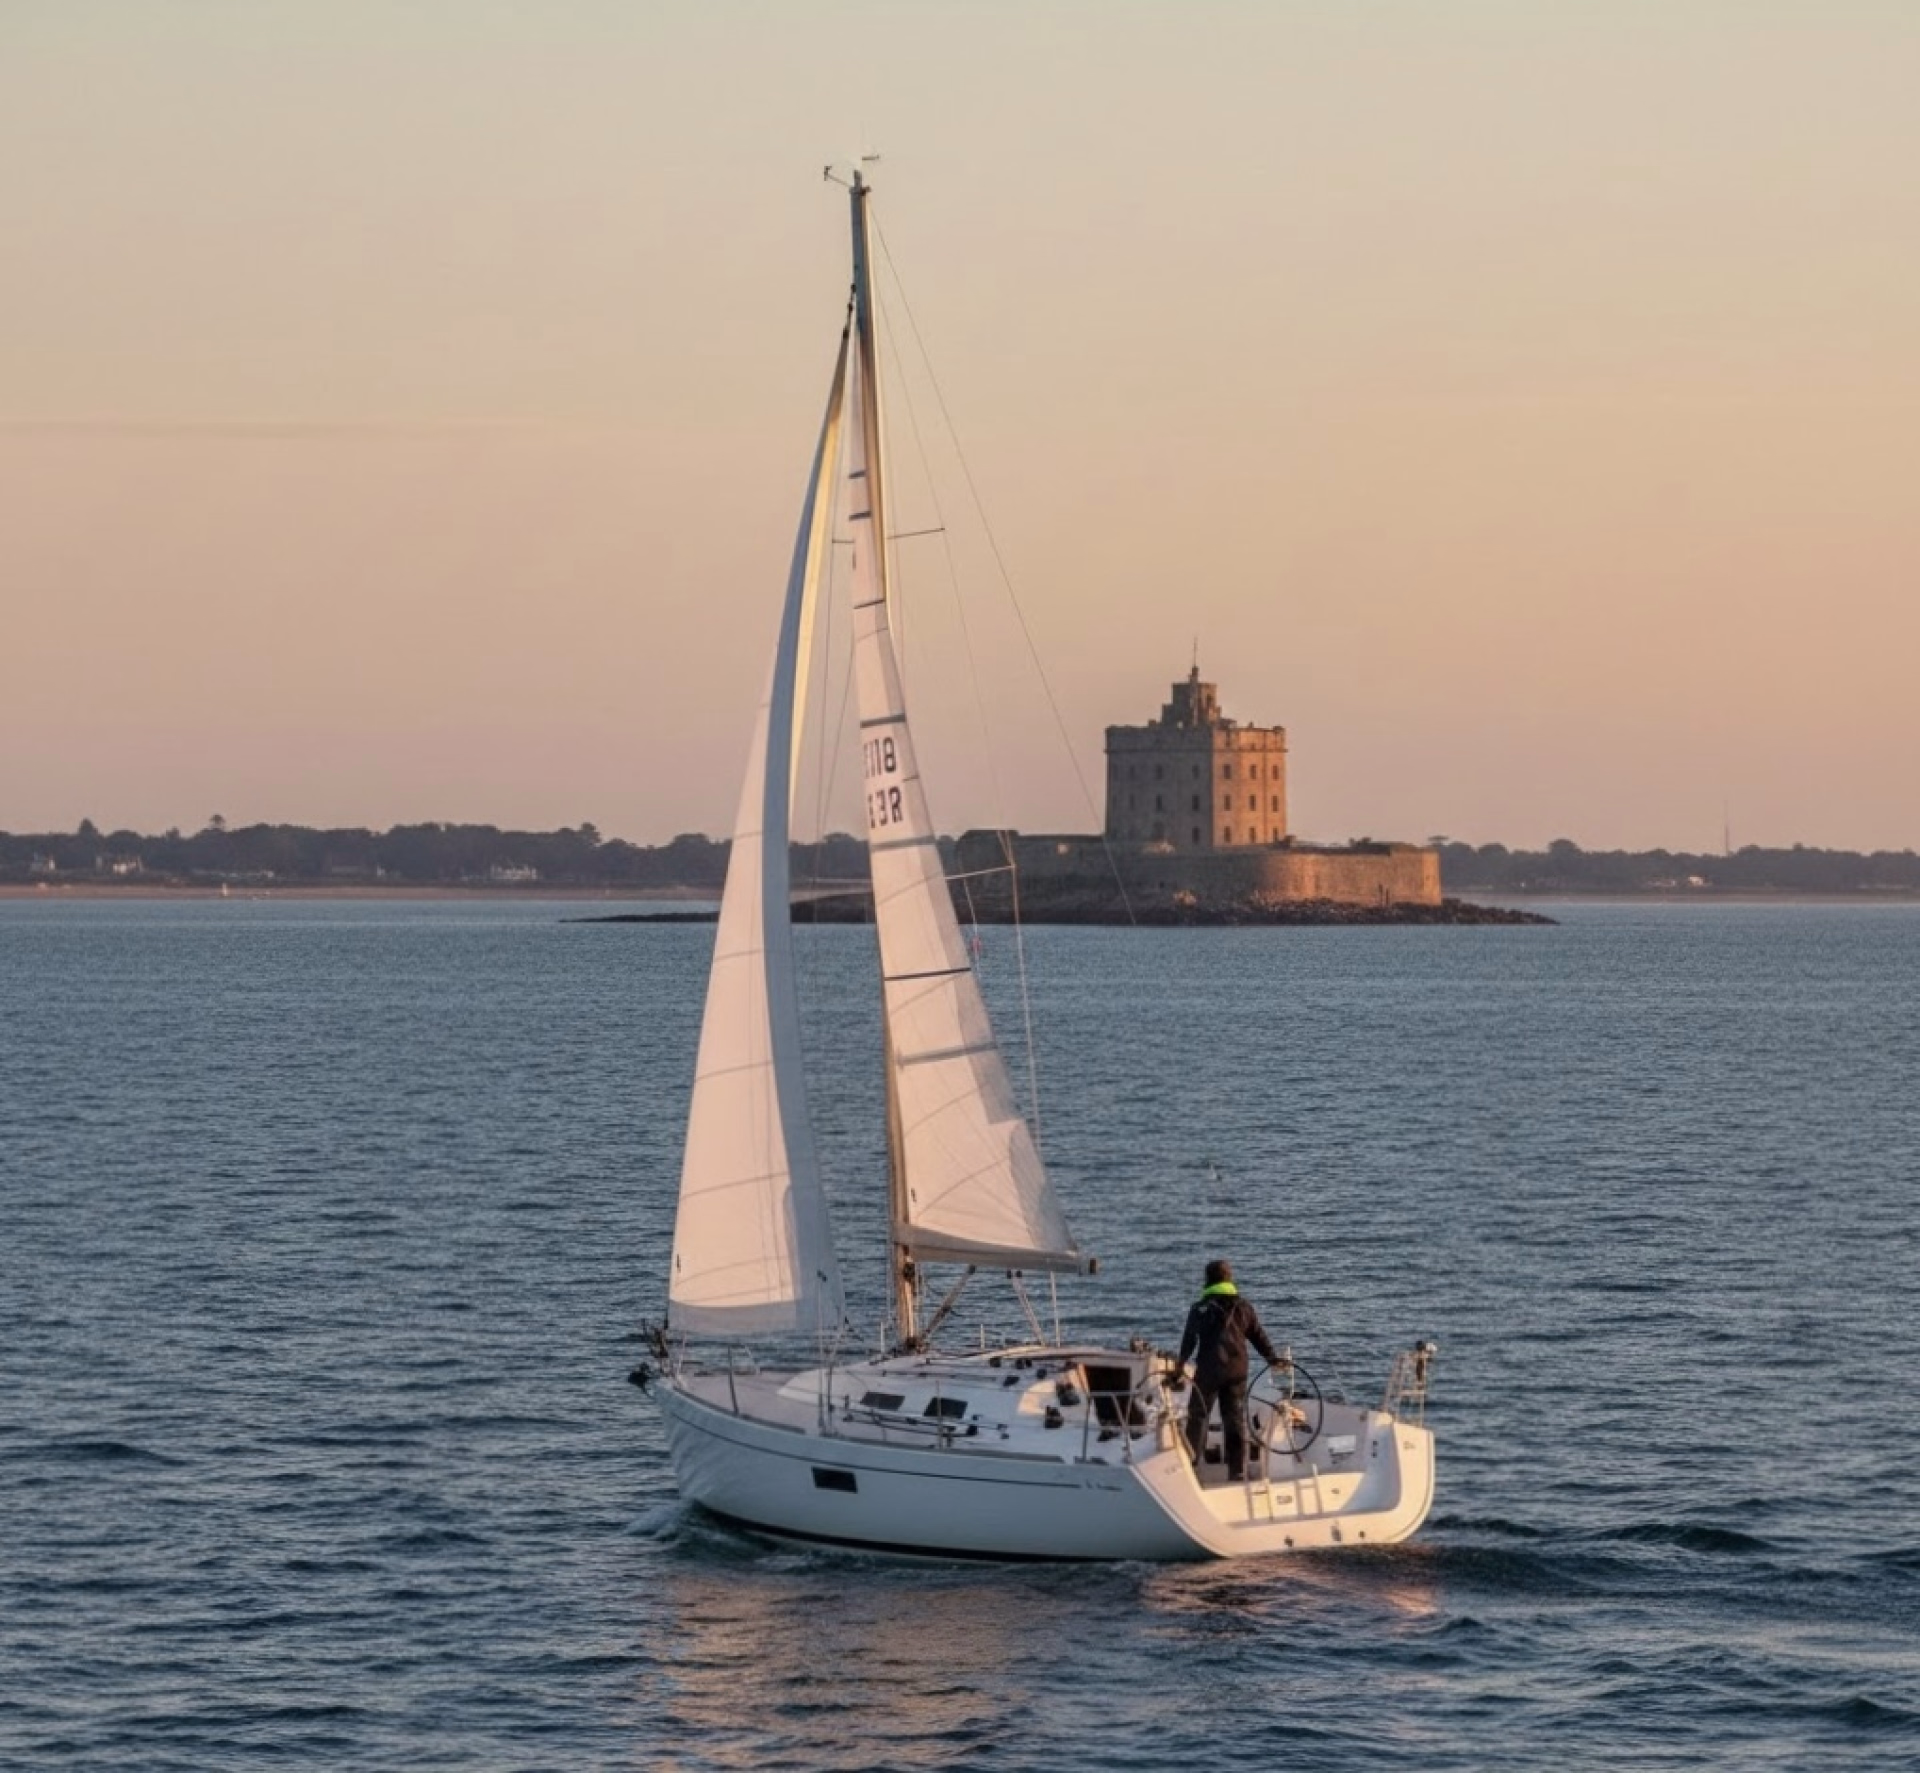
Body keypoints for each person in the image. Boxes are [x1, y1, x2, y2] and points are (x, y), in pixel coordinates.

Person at [1174, 1258, 1281, 1481]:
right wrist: (1273, 1359)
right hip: (1236, 1370)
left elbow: (1189, 1341)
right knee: (1234, 1418)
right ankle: (1237, 1470)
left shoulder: (1200, 1309)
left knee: (1199, 1415)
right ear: (1229, 1279)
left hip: (1208, 1371)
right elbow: (1258, 1336)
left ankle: (1192, 1465)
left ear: (1207, 1280)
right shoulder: (1244, 1307)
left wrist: (1179, 1366)